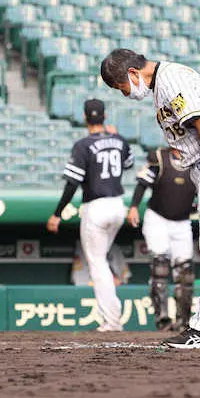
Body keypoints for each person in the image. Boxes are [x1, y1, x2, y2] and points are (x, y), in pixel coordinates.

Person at [101, 48, 200, 350]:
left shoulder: (170, 79)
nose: (125, 93)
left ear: (132, 73)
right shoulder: (164, 81)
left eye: (122, 87)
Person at [47, 99, 135, 332]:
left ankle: (112, 320)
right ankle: (113, 315)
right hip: (118, 205)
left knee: (97, 265)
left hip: (96, 207)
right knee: (101, 260)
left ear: (85, 118)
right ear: (104, 117)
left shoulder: (83, 145)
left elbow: (72, 182)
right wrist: (118, 138)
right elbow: (129, 163)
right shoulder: (118, 140)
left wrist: (57, 213)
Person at [127, 146, 198, 331]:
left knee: (186, 273)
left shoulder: (197, 161)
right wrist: (134, 206)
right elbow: (142, 183)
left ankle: (183, 321)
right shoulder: (160, 158)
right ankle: (162, 319)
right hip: (157, 218)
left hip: (182, 222)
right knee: (160, 265)